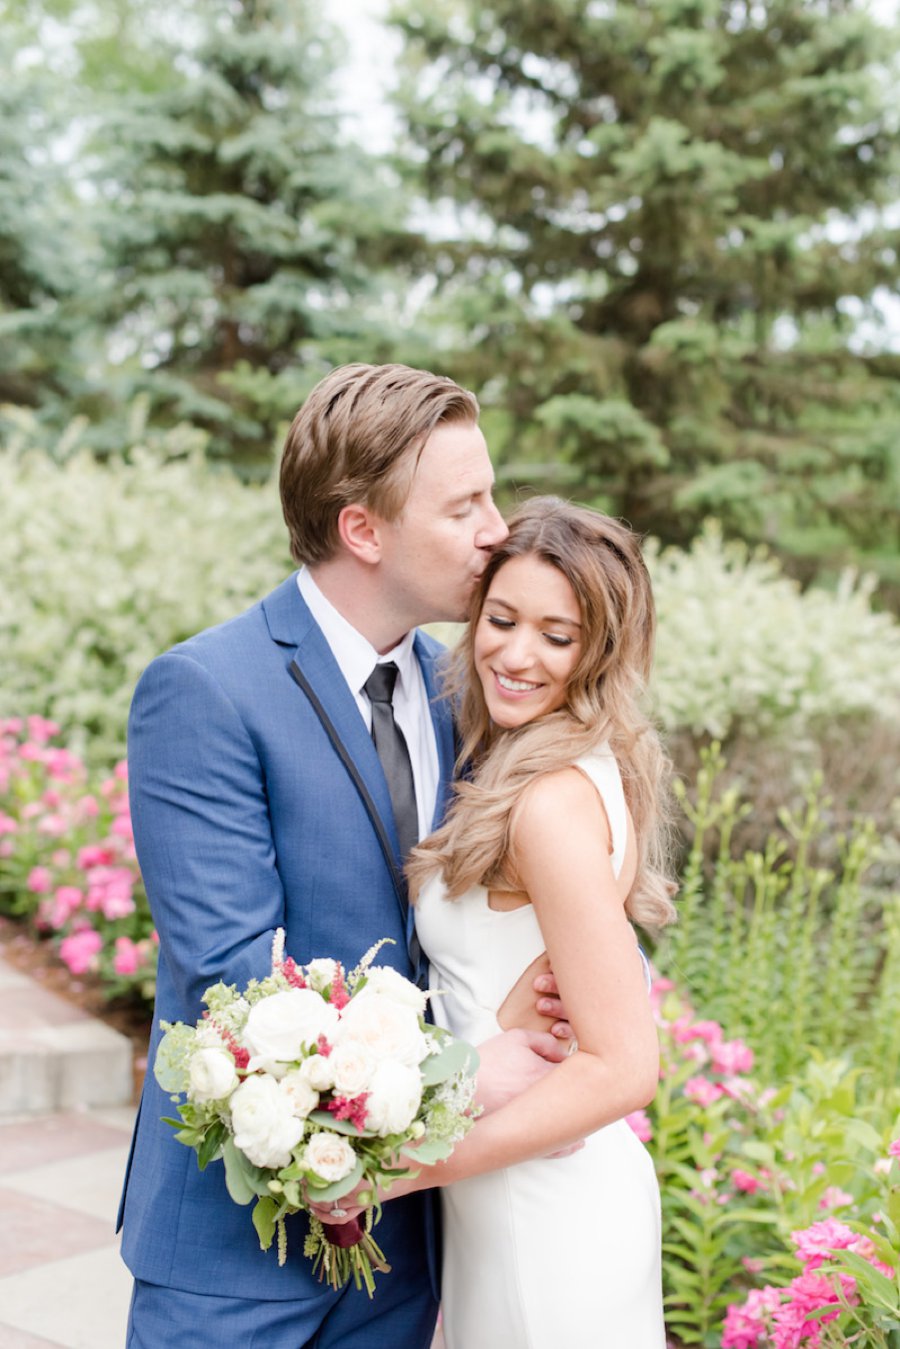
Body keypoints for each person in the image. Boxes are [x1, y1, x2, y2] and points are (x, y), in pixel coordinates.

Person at [118, 364, 573, 1348]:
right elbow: (233, 982)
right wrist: (464, 1075)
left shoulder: (469, 689)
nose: (499, 528)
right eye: (465, 506)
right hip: (236, 1255)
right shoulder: (205, 690)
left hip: (406, 1250)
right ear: (364, 529)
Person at [317, 495, 677, 1346]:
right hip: (508, 1200)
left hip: (546, 1214)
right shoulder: (549, 765)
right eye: (501, 618)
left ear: (602, 648)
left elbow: (625, 1067)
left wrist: (390, 1174)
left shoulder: (550, 803)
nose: (515, 655)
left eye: (557, 635)